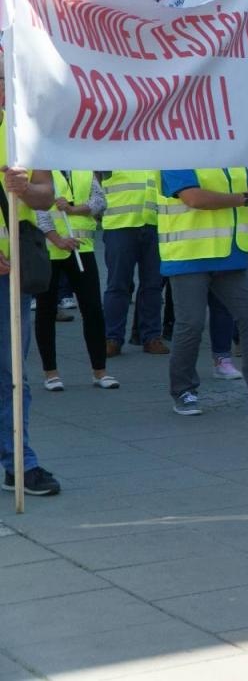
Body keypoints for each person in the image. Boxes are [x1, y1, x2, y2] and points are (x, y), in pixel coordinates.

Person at [162, 166, 248, 415]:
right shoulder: (179, 152)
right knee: (191, 324)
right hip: (189, 254)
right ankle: (184, 391)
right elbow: (193, 198)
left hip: (230, 255)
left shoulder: (233, 155)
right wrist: (247, 197)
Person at [0, 158, 63, 496]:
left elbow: (45, 196)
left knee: (12, 375)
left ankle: (20, 464)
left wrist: (25, 188)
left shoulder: (22, 133)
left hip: (10, 275)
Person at [34, 170, 117, 390]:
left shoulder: (83, 169)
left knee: (92, 310)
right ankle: (51, 373)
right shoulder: (42, 170)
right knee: (46, 310)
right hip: (50, 250)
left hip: (82, 247)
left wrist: (73, 209)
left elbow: (100, 201)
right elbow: (38, 210)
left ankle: (100, 371)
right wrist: (57, 239)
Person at [100, 169, 168, 355]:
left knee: (153, 285)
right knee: (118, 285)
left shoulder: (159, 151)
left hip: (156, 225)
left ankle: (152, 337)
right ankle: (112, 338)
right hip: (120, 226)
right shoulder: (115, 149)